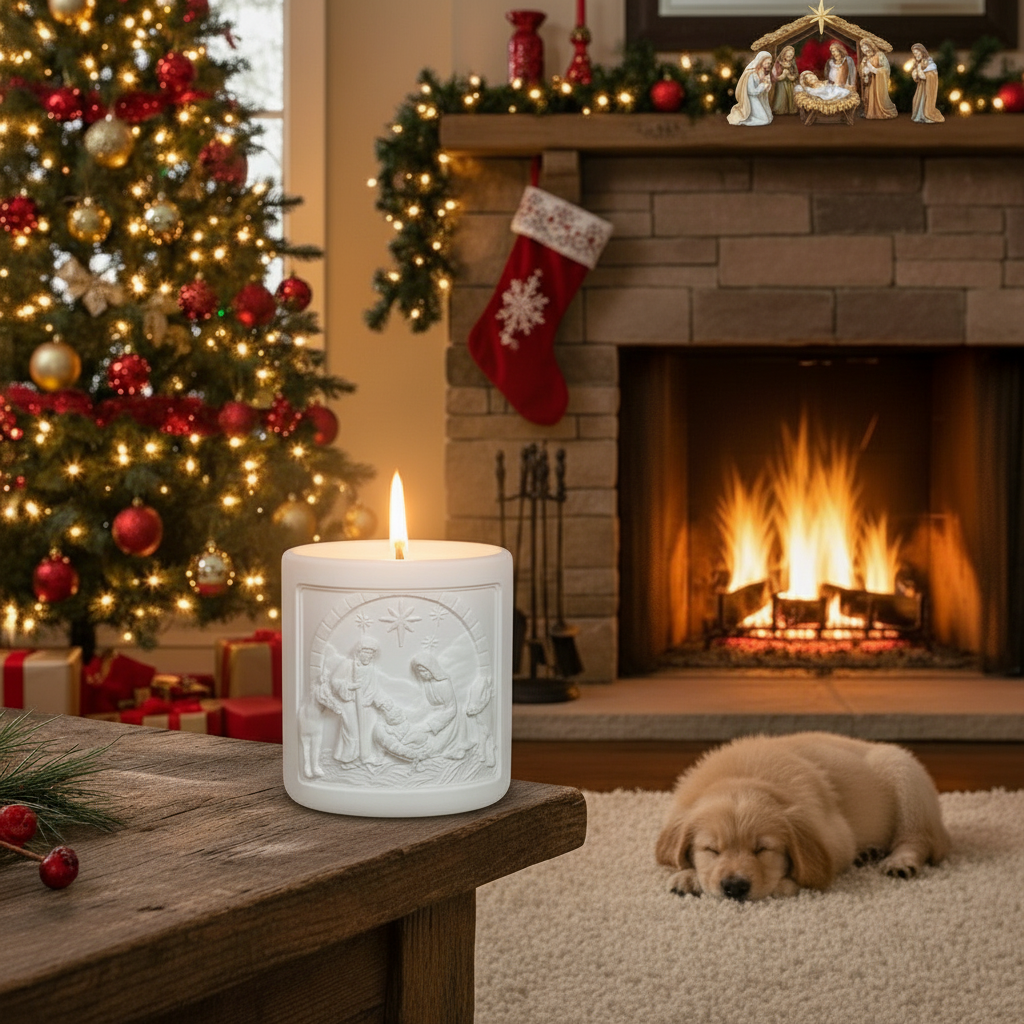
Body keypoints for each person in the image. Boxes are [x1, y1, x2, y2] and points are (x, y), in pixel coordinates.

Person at [727, 51, 773, 127]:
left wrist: (767, 84)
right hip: (751, 99)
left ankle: (753, 117)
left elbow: (765, 88)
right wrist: (762, 86)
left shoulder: (762, 72)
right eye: (767, 63)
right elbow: (751, 91)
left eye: (769, 63)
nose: (769, 65)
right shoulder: (751, 74)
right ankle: (746, 121)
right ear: (761, 61)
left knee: (768, 118)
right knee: (765, 120)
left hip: (757, 98)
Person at [858, 39, 897, 119]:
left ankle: (882, 111)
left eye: (866, 47)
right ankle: (870, 112)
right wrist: (864, 71)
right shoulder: (865, 59)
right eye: (862, 48)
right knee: (868, 97)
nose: (864, 50)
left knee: (879, 97)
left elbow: (885, 69)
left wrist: (874, 70)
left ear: (871, 46)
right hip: (870, 82)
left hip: (879, 82)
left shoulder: (880, 55)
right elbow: (862, 71)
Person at [910, 43, 945, 123]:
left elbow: (932, 73)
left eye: (917, 53)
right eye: (914, 54)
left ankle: (926, 116)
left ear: (922, 52)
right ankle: (919, 116)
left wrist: (923, 73)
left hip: (928, 87)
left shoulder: (929, 62)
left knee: (926, 100)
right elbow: (917, 76)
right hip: (921, 87)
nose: (916, 55)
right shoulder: (917, 63)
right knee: (918, 100)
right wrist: (915, 74)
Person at [770, 45, 798, 115]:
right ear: (784, 55)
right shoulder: (779, 63)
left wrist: (790, 76)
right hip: (781, 84)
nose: (790, 57)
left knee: (791, 96)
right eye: (788, 56)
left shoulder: (792, 63)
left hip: (790, 83)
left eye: (791, 56)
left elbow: (796, 73)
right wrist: (782, 76)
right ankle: (780, 109)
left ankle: (791, 110)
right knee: (781, 96)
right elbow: (774, 75)